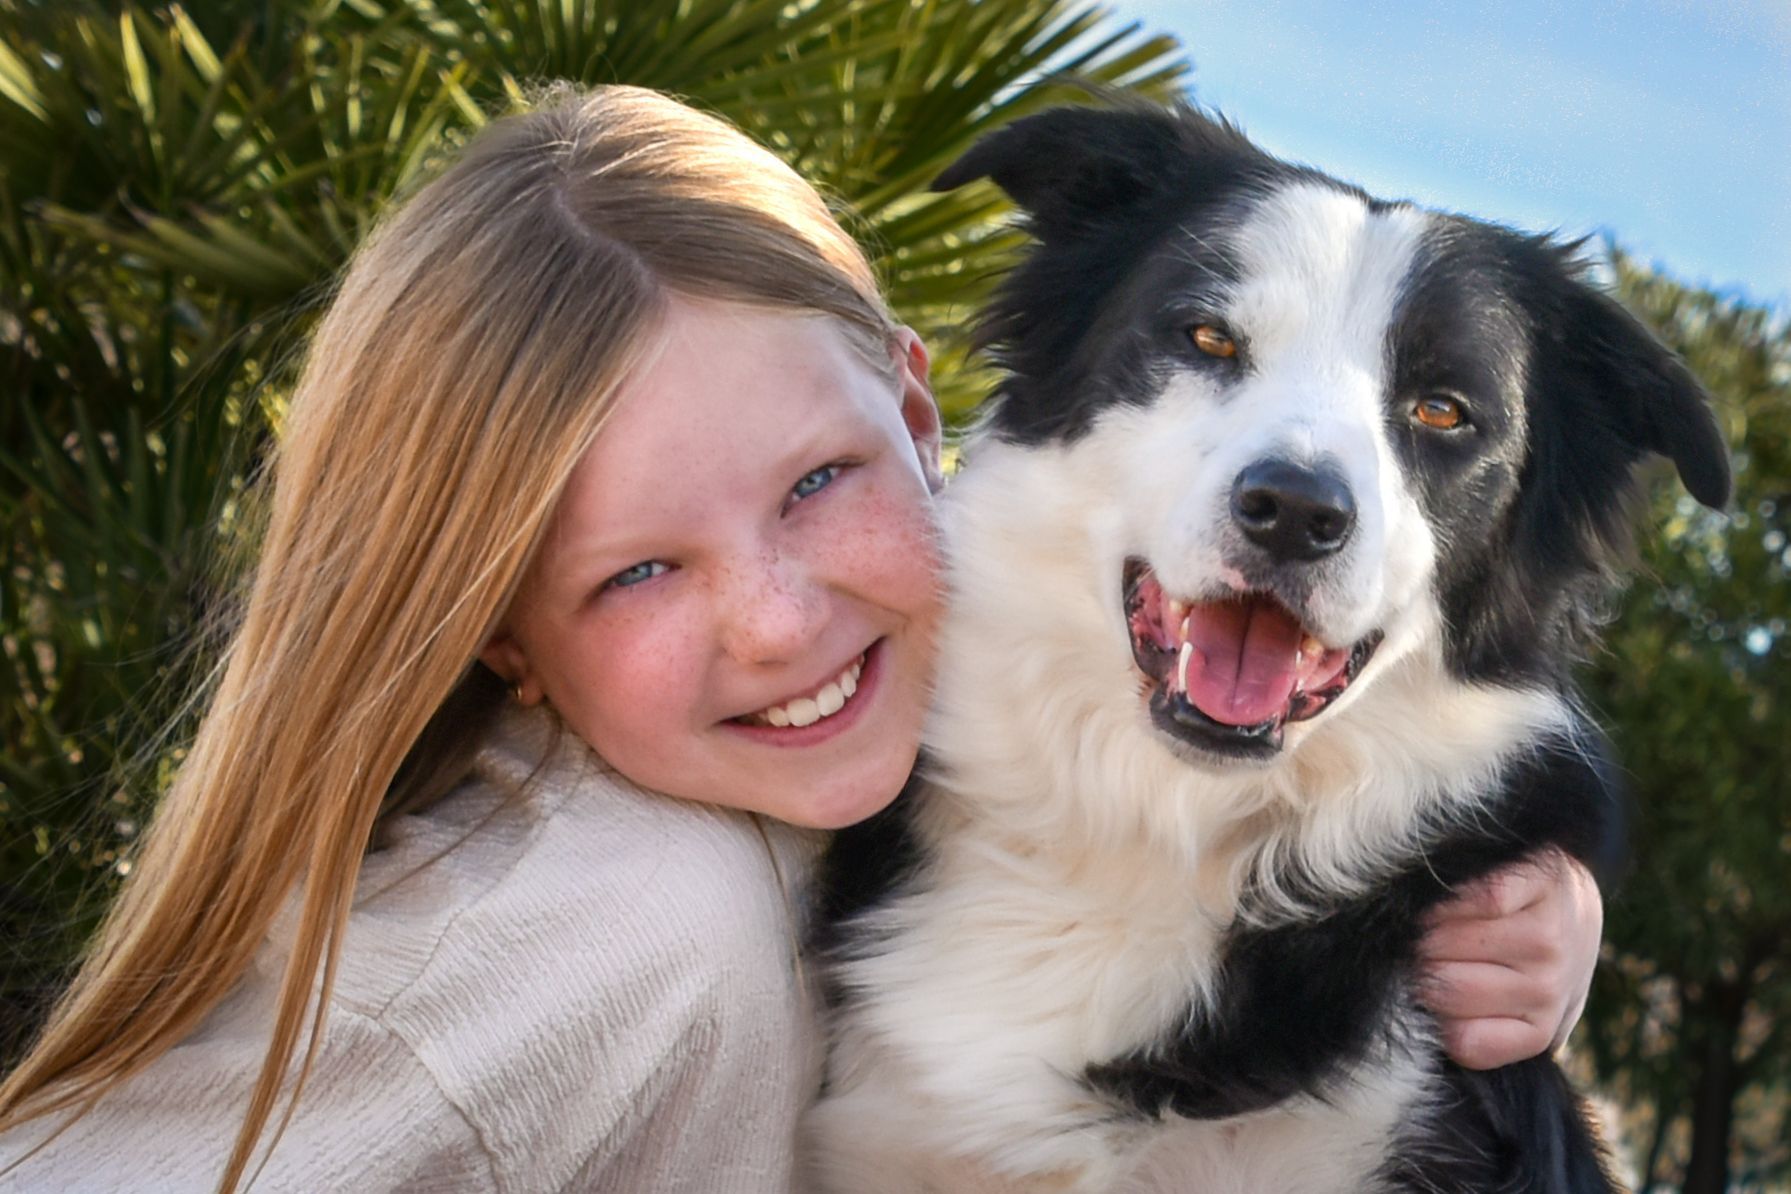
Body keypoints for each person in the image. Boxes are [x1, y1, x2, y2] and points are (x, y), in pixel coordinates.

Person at [0, 85, 1603, 1193]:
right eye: (638, 571)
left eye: (819, 483)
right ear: (496, 638)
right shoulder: (620, 921)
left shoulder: (884, 765)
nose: (778, 620)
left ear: (919, 411)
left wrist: (1542, 909)